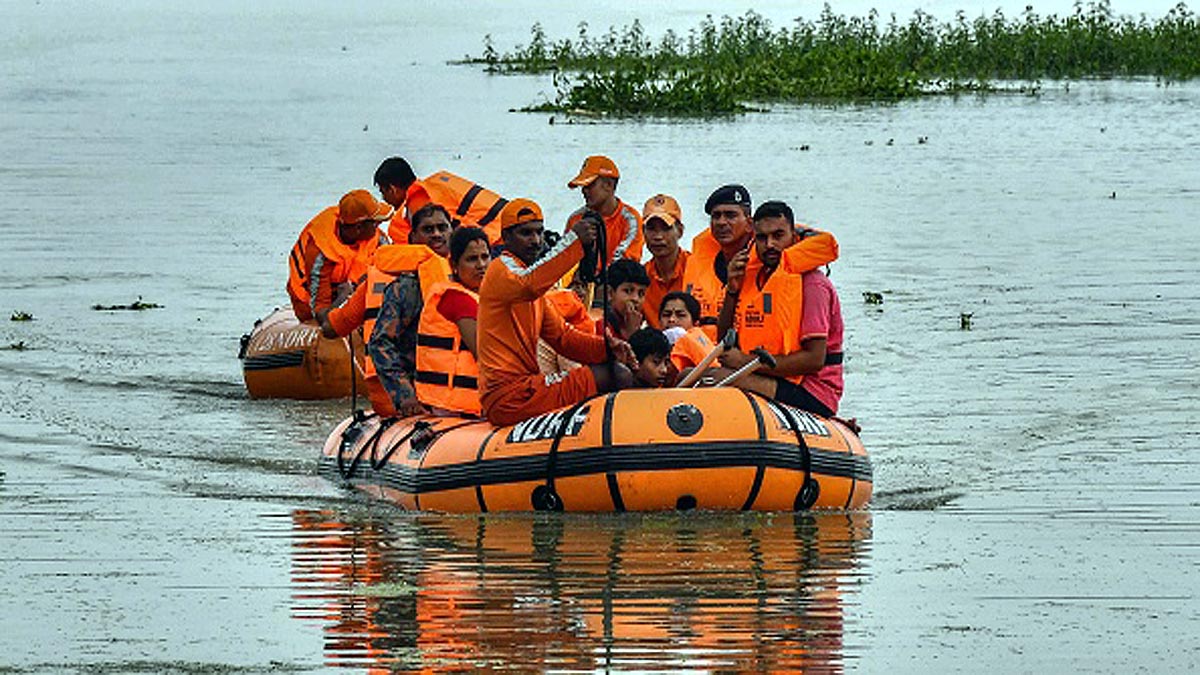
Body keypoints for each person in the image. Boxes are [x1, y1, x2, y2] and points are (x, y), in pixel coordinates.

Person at [477, 198, 636, 427]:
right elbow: (529, 284)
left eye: (539, 233)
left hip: (526, 388)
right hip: (508, 397)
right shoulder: (501, 270)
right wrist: (574, 242)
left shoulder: (534, 291)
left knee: (616, 368)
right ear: (506, 237)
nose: (535, 241)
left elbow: (564, 339)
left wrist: (609, 348)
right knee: (617, 375)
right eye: (526, 233)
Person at [320, 204, 453, 417]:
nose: (436, 234)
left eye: (442, 228)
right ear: (412, 238)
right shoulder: (410, 283)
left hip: (426, 392)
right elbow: (336, 328)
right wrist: (404, 395)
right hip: (408, 398)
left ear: (452, 231)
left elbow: (331, 327)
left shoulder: (375, 277)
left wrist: (342, 299)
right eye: (428, 230)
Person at [715, 200, 844, 417]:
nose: (770, 245)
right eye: (762, 238)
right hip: (772, 377)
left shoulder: (813, 285)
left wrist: (746, 363)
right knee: (691, 374)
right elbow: (723, 340)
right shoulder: (757, 278)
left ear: (794, 237)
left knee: (712, 379)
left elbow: (814, 359)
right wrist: (732, 290)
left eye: (778, 236)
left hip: (812, 391)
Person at [682, 185, 839, 327]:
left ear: (749, 224)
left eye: (730, 215)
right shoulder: (700, 255)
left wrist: (786, 259)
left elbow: (821, 242)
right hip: (705, 348)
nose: (722, 222)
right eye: (716, 216)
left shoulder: (770, 255)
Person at [414, 227, 491, 416]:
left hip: (463, 402)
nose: (481, 265)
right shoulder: (457, 299)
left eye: (485, 257)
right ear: (454, 264)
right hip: (454, 408)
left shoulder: (483, 296)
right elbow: (484, 355)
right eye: (472, 259)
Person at [287, 189, 392, 324]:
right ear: (359, 228)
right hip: (309, 303)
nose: (378, 227)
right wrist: (343, 298)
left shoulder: (378, 240)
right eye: (375, 223)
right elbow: (321, 314)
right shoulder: (320, 251)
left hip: (352, 294)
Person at [565, 155, 643, 277]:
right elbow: (565, 261)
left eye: (589, 185)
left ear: (609, 185)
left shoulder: (631, 219)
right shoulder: (575, 219)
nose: (584, 191)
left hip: (616, 286)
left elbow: (624, 263)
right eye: (583, 187)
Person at [640, 194, 689, 329]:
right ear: (642, 232)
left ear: (680, 231)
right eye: (651, 229)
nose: (658, 236)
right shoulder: (641, 278)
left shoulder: (696, 269)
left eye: (666, 228)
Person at [658, 290, 715, 374]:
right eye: (667, 315)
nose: (671, 320)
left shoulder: (695, 337)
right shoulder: (653, 341)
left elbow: (714, 369)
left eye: (680, 315)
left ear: (695, 323)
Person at [595, 258, 649, 341]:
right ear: (610, 293)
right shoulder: (599, 326)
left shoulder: (644, 329)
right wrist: (631, 334)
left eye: (641, 294)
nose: (635, 299)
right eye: (628, 291)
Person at [374, 156, 419, 242]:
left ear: (392, 190)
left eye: (383, 193)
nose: (383, 199)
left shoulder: (404, 216)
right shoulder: (430, 193)